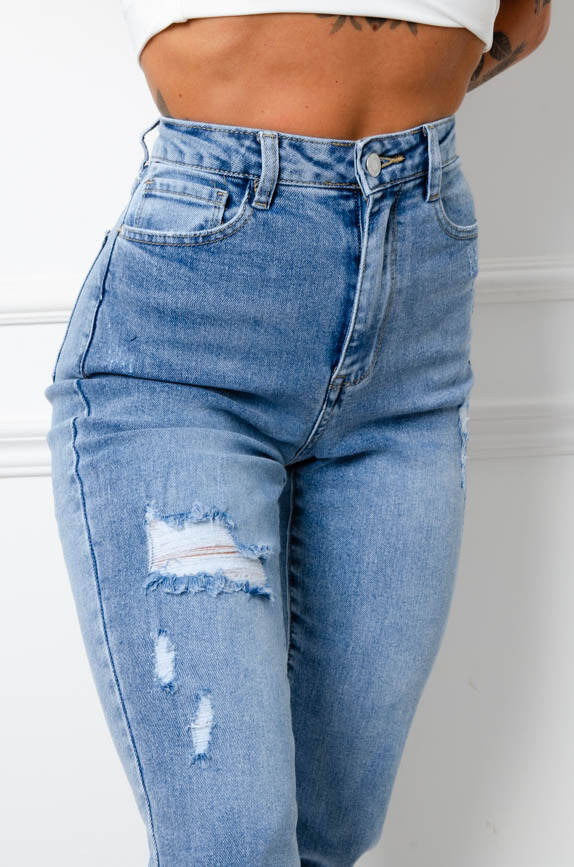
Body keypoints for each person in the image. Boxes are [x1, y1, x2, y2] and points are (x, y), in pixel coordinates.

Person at [44, 2, 551, 864]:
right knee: (232, 841)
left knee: (332, 823)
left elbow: (523, 21)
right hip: (189, 344)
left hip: (414, 324)